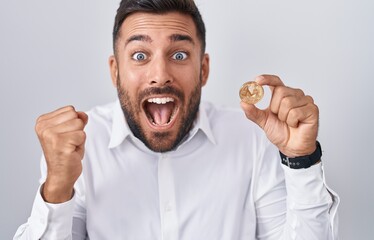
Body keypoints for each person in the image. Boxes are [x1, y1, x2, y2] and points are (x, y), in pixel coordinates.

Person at [14, 0, 339, 239]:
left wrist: (301, 159)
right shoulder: (81, 146)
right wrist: (56, 188)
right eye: (140, 56)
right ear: (115, 71)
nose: (160, 75)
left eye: (179, 55)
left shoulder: (251, 138)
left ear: (204, 69)